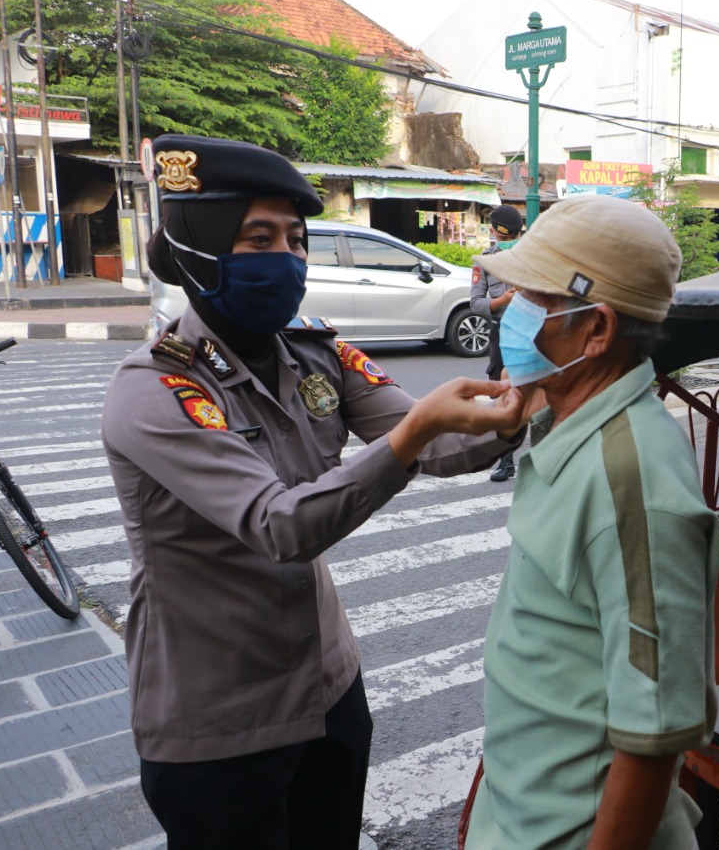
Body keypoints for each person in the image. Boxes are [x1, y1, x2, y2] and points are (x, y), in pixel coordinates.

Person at [102, 134, 528, 848]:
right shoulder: (156, 389)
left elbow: (439, 440)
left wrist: (523, 408)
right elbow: (279, 526)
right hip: (219, 724)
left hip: (328, 690)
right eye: (260, 237)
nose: (288, 258)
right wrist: (409, 436)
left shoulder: (316, 351)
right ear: (202, 248)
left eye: (297, 239)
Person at [461, 195, 719, 849]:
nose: (511, 311)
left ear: (595, 329)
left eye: (532, 298)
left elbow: (652, 731)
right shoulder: (565, 424)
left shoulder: (633, 482)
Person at [470, 204, 524, 482]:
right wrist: (502, 300)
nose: (506, 242)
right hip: (501, 328)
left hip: (532, 327)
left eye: (511, 237)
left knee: (537, 387)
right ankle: (506, 460)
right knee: (499, 389)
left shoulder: (532, 257)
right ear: (492, 232)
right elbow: (475, 302)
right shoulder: (484, 261)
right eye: (502, 238)